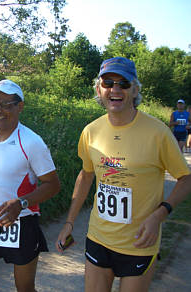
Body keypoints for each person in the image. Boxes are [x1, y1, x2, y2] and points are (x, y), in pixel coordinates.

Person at [56, 57, 191, 292]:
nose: (115, 90)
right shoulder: (91, 131)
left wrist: (159, 215)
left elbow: (186, 179)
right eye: (108, 82)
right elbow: (85, 176)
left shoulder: (158, 132)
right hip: (99, 237)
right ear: (99, 88)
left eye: (124, 84)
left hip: (139, 242)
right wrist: (69, 223)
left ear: (135, 89)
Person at [0, 80, 60, 292]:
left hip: (23, 224)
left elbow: (53, 185)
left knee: (24, 289)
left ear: (19, 106)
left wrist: (21, 203)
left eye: (5, 104)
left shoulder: (32, 142)